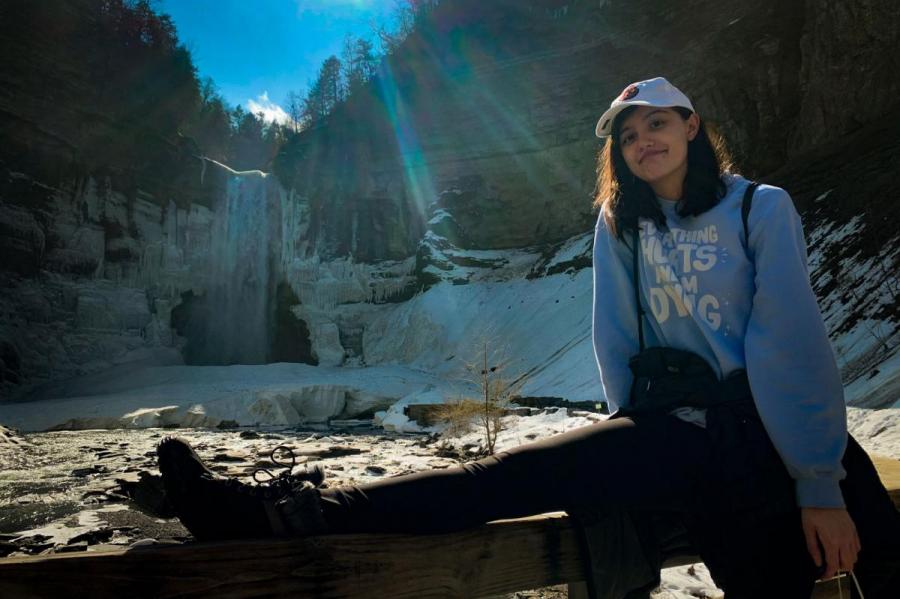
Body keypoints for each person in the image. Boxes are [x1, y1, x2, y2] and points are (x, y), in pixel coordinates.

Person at [156, 77, 899, 598]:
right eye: (629, 135)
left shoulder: (758, 209)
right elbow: (617, 341)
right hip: (675, 431)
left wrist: (817, 481)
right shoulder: (620, 226)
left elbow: (792, 348)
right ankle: (277, 512)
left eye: (658, 124)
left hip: (778, 436)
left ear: (692, 126)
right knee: (505, 477)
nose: (643, 141)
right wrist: (627, 446)